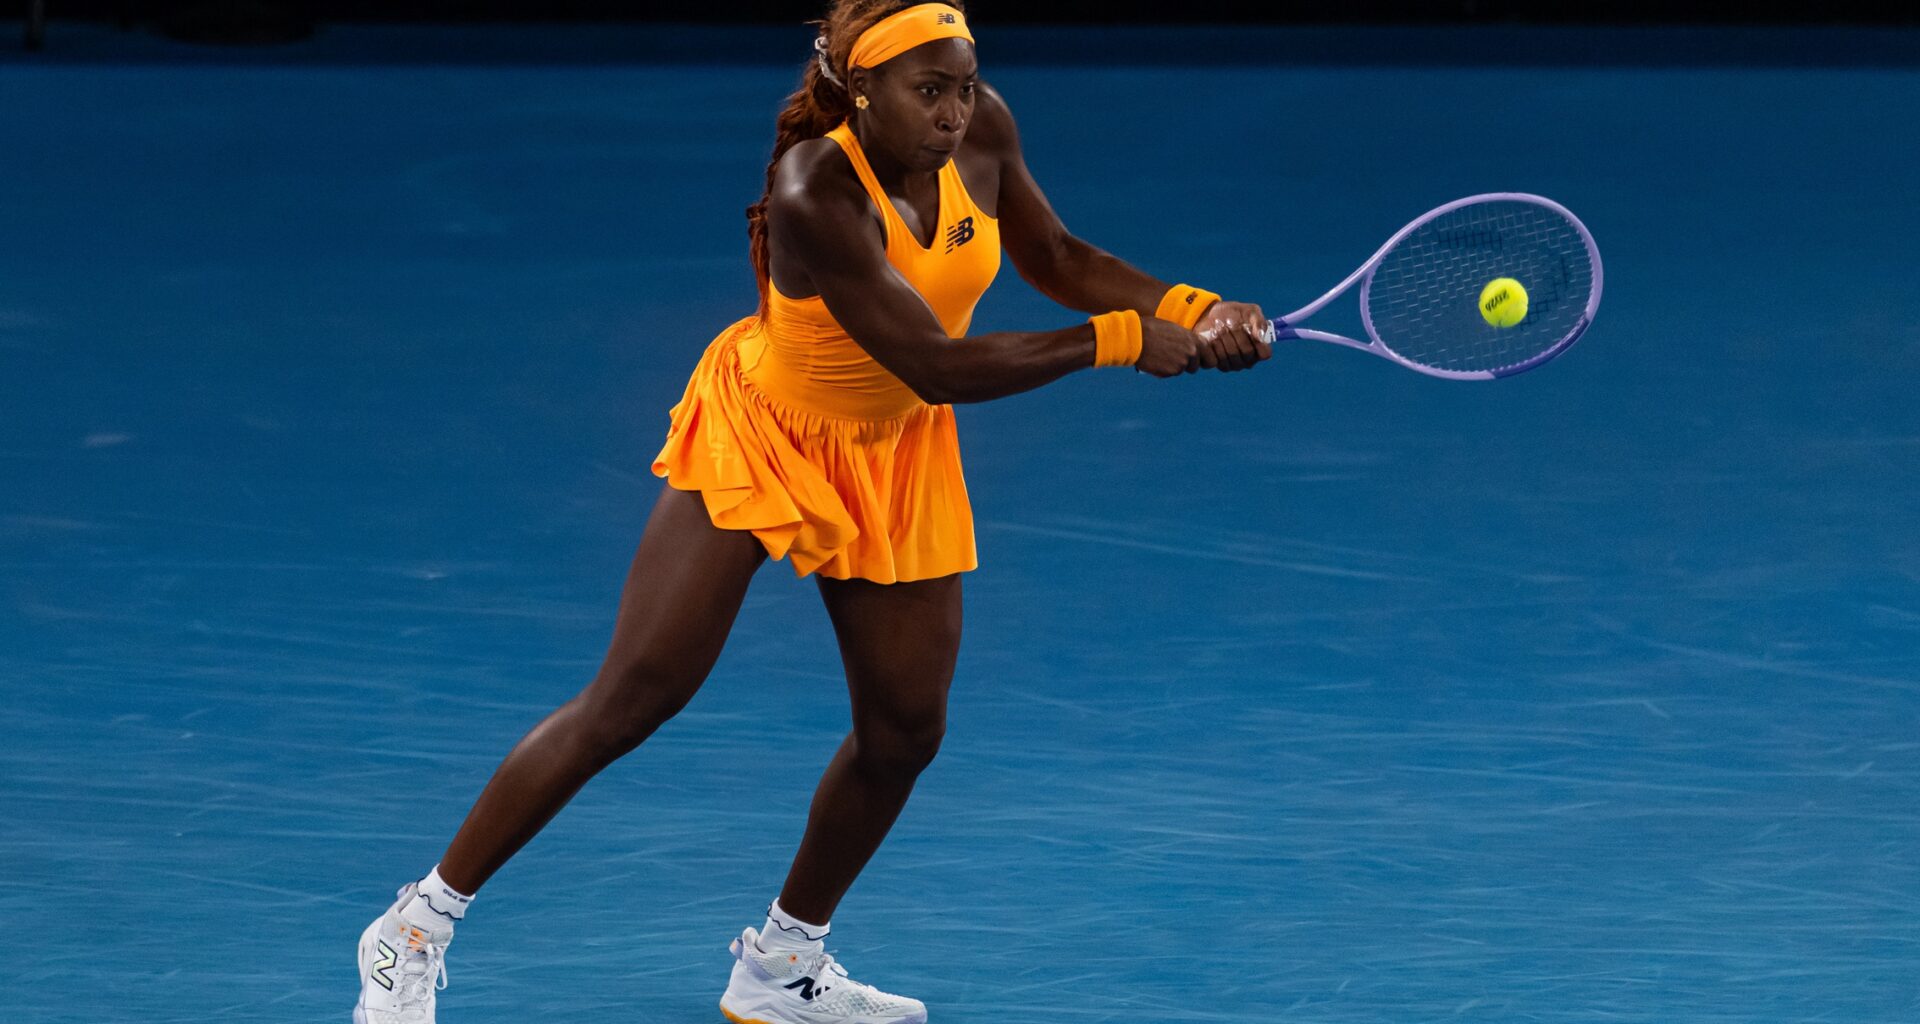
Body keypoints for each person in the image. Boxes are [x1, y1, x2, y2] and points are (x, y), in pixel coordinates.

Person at [351, 3, 1272, 1023]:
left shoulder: (983, 131)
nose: (956, 112)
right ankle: (415, 926)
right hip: (771, 435)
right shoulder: (814, 190)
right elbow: (934, 364)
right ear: (861, 91)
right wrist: (1116, 341)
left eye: (966, 85)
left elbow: (1056, 255)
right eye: (931, 91)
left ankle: (782, 962)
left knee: (904, 730)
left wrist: (1189, 305)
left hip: (893, 455)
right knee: (635, 696)